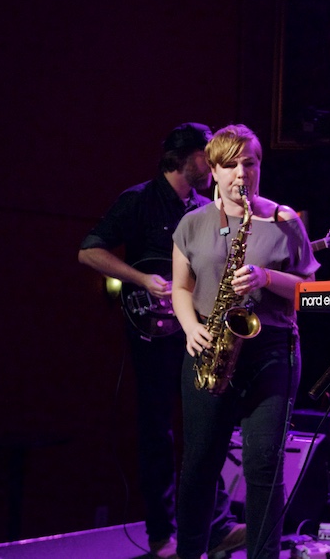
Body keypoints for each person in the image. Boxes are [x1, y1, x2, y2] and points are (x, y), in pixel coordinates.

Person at [78, 123, 242, 558]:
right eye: (206, 157)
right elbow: (89, 250)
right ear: (185, 158)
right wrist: (142, 279)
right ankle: (161, 536)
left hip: (196, 328)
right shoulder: (138, 200)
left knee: (205, 426)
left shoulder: (208, 209)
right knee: (158, 431)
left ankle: (218, 525)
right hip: (152, 332)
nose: (213, 166)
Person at [170, 124, 319, 559]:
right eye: (230, 165)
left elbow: (309, 293)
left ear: (259, 166)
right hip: (207, 348)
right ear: (212, 171)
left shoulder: (284, 220)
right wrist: (190, 327)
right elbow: (181, 288)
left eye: (249, 163)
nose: (241, 174)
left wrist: (268, 277)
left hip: (271, 350)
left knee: (263, 466)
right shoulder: (192, 223)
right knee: (198, 466)